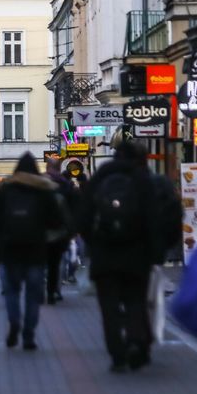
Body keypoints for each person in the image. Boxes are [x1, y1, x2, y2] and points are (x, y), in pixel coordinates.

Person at [81, 142, 155, 372]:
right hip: (136, 253)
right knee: (135, 300)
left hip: (105, 255)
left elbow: (82, 217)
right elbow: (154, 219)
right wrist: (154, 251)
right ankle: (135, 341)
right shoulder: (143, 180)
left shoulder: (99, 178)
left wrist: (93, 244)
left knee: (109, 307)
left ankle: (117, 353)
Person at [0, 154, 64, 351]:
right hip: (35, 250)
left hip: (10, 249)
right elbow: (56, 220)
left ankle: (14, 321)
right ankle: (29, 334)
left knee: (12, 292)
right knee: (33, 295)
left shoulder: (6, 188)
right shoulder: (43, 190)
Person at [44, 157, 79, 304]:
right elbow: (73, 209)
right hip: (60, 232)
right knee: (56, 264)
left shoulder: (39, 183)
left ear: (47, 168)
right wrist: (72, 230)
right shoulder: (66, 185)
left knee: (41, 264)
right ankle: (53, 291)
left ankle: (43, 290)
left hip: (41, 232)